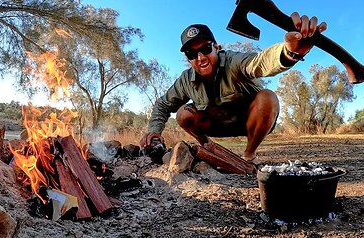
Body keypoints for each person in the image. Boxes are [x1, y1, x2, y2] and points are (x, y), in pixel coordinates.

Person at [140, 13, 327, 164]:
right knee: (183, 113)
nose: (200, 57)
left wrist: (290, 52)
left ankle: (249, 155)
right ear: (187, 58)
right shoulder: (185, 80)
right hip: (217, 126)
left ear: (216, 47)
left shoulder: (233, 61)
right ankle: (208, 147)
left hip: (249, 123)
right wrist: (154, 130)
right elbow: (163, 104)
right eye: (191, 53)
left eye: (205, 48)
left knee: (268, 97)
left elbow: (260, 62)